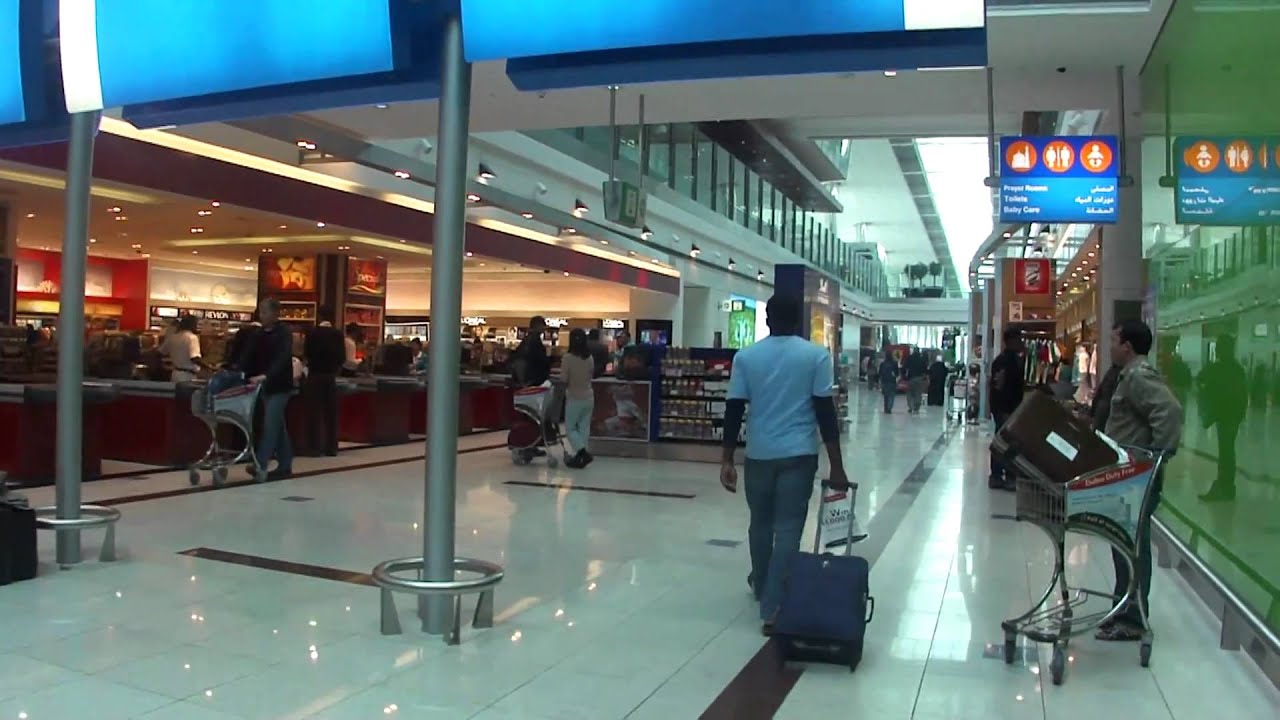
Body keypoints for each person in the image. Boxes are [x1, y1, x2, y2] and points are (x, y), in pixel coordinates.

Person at [720, 294, 853, 634]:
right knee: (789, 528)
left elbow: (734, 408)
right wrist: (836, 465)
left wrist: (726, 459)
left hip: (758, 454)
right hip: (798, 454)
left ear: (767, 320)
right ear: (798, 321)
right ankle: (774, 606)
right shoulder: (815, 356)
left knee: (760, 524)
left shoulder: (746, 357)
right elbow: (825, 412)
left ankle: (763, 584)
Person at [1097, 319, 1183, 642]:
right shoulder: (1128, 376)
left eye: (1114, 340)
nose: (1110, 347)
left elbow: (1169, 411)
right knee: (1123, 543)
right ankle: (1123, 609)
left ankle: (1133, 618)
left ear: (1127, 346)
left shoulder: (1138, 376)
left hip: (1136, 478)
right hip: (1126, 476)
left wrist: (1154, 455)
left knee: (1131, 547)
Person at [240, 297, 296, 481]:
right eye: (260, 311)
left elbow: (282, 358)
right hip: (263, 386)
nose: (261, 315)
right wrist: (235, 370)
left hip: (280, 385)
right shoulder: (258, 334)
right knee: (277, 425)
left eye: (265, 311)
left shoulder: (284, 333)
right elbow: (248, 356)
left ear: (275, 313)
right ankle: (285, 464)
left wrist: (266, 375)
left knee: (270, 424)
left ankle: (260, 463)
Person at [1196, 335, 1247, 502]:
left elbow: (1200, 379)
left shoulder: (1218, 368)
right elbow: (1243, 395)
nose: (1217, 350)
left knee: (1225, 452)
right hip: (1231, 416)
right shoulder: (1237, 369)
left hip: (1224, 415)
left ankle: (1223, 487)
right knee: (1228, 452)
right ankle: (1227, 487)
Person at [303, 311, 345, 457]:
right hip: (330, 376)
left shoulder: (312, 333)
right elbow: (342, 357)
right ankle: (331, 447)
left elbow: (306, 353)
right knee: (331, 413)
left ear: (319, 318)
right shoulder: (338, 335)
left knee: (314, 412)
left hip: (314, 375)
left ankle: (314, 447)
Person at [989, 327, 1025, 490]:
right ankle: (1000, 475)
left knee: (1005, 442)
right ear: (1010, 341)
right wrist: (1001, 410)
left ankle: (1002, 475)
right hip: (1005, 409)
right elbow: (999, 386)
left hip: (1008, 408)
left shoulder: (1012, 360)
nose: (1021, 342)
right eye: (1018, 339)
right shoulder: (1005, 362)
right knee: (1005, 443)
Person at [561, 328, 595, 468]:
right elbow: (590, 375)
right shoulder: (590, 357)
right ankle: (581, 456)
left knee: (570, 428)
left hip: (574, 397)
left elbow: (564, 378)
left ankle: (582, 452)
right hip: (589, 396)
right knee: (583, 428)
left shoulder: (567, 358)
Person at [511, 316, 551, 387]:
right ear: (537, 326)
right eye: (543, 325)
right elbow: (538, 360)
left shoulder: (528, 340)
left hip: (529, 380)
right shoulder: (533, 341)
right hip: (532, 380)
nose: (544, 328)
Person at [164, 314, 204, 383]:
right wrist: (208, 367)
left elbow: (160, 352)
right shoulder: (192, 337)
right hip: (187, 376)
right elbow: (194, 358)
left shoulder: (173, 337)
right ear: (191, 324)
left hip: (175, 374)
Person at [904, 348, 928, 413]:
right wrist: (925, 377)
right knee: (918, 393)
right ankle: (916, 408)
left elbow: (905, 367)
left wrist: (904, 376)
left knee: (909, 393)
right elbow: (925, 369)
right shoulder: (921, 359)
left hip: (911, 378)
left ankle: (910, 407)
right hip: (919, 378)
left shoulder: (909, 358)